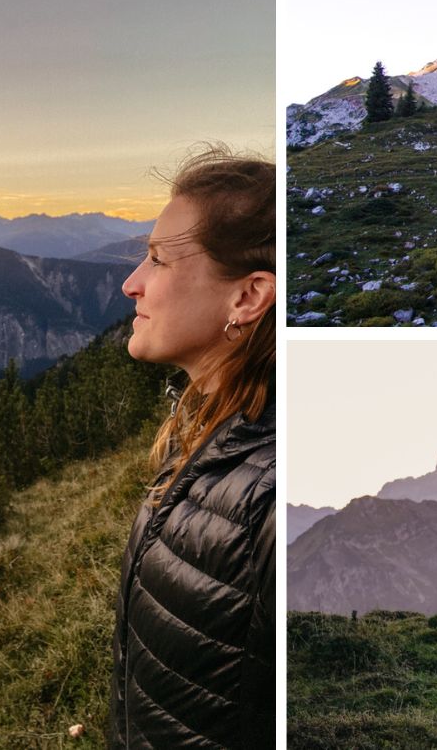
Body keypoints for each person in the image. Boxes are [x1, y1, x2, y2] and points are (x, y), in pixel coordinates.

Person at [110, 147, 276, 749]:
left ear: (248, 297)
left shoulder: (271, 490)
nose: (132, 284)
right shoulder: (214, 437)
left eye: (157, 260)